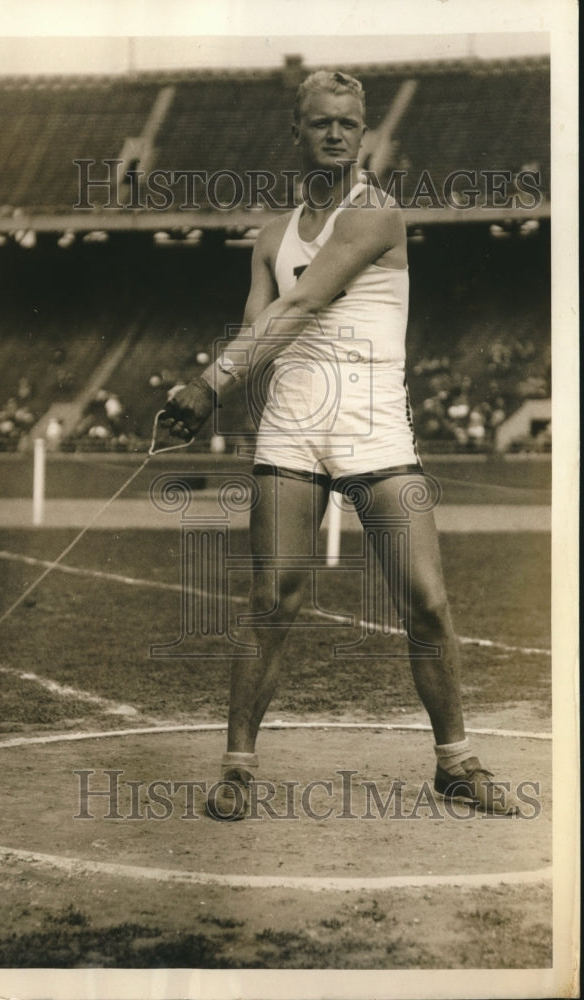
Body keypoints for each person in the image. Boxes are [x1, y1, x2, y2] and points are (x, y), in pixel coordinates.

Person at [162, 69, 519, 820]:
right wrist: (213, 391)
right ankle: (235, 767)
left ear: (364, 133)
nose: (335, 134)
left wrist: (206, 386)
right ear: (297, 131)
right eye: (321, 122)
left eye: (348, 123)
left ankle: (454, 762)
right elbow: (259, 328)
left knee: (425, 600)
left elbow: (303, 302)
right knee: (272, 599)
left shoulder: (377, 216)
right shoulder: (268, 237)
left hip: (374, 426)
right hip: (291, 427)